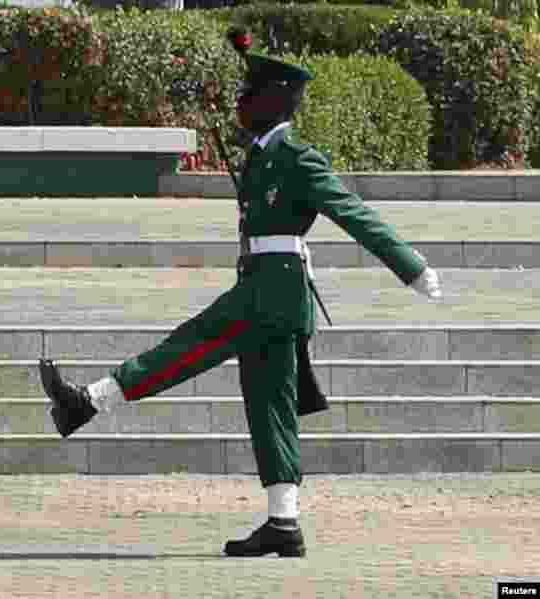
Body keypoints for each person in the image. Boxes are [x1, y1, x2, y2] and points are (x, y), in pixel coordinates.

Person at [38, 28, 442, 558]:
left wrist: (410, 267)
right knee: (269, 408)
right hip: (262, 285)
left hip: (274, 293)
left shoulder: (298, 157)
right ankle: (284, 523)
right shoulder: (261, 154)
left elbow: (352, 213)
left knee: (188, 343)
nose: (238, 106)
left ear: (271, 102)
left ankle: (88, 402)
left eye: (247, 98)